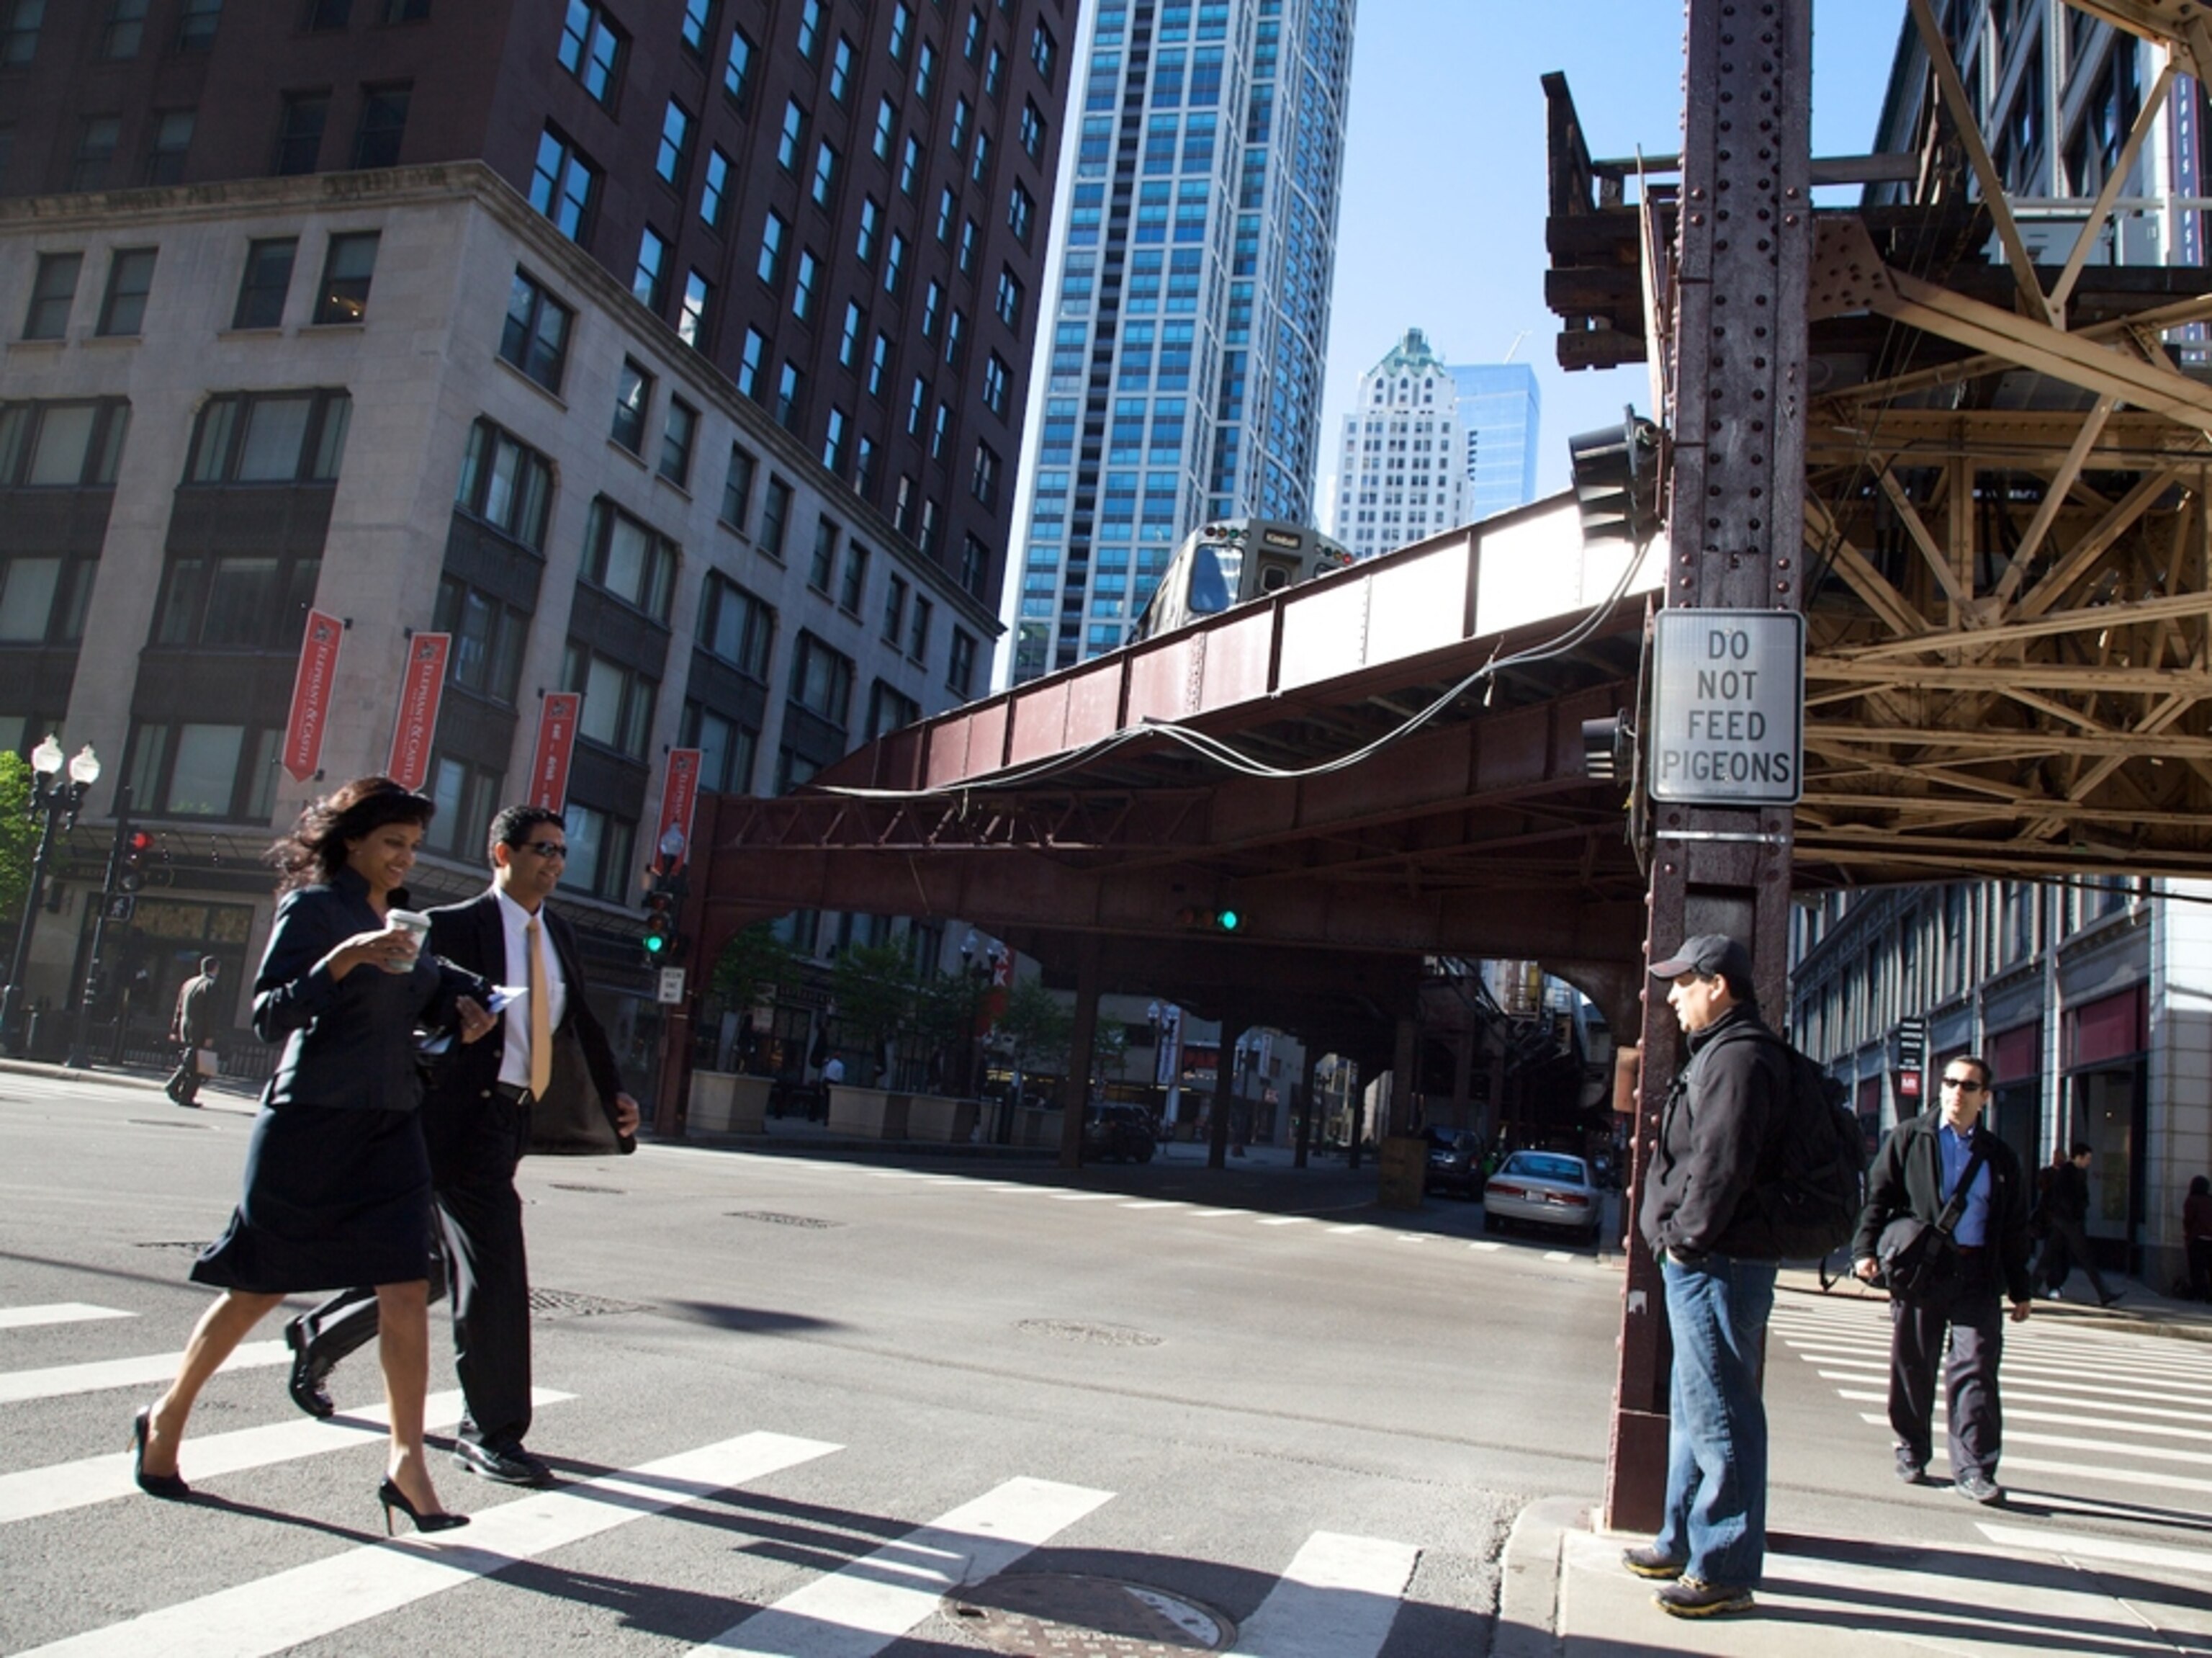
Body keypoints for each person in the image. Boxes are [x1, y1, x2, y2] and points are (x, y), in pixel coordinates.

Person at [131, 779, 498, 1533]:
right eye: (392, 842)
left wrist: (466, 1009)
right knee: (258, 1286)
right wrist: (345, 958)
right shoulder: (317, 910)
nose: (404, 857)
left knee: (404, 1287)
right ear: (353, 841)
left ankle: (407, 1463)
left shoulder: (401, 921)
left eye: (413, 845)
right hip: (311, 1123)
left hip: (392, 1122)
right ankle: (166, 1419)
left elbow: (426, 993)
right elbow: (271, 1013)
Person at [282, 805, 639, 1489]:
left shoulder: (559, 933)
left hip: (510, 1119)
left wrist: (613, 1095)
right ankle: (491, 1432)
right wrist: (446, 1024)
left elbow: (580, 1027)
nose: (555, 862)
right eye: (541, 848)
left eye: (563, 851)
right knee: (497, 1267)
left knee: (433, 1268)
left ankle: (319, 1336)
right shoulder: (450, 926)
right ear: (500, 854)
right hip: (445, 1115)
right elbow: (396, 1011)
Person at [1621, 933, 1789, 1621]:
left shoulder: (1739, 1057)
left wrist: (1683, 1241)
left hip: (1719, 1261)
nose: (1670, 996)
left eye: (1682, 983)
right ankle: (1683, 1539)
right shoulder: (1725, 1052)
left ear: (1717, 984)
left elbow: (1720, 1167)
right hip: (1711, 1259)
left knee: (1723, 1416)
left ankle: (1722, 1566)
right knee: (1697, 1411)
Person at [1852, 1056, 2034, 1505]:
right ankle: (1912, 1449)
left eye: (1968, 1086)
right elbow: (1879, 1196)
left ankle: (1974, 1468)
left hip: (1978, 1274)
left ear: (1984, 1097)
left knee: (1976, 1368)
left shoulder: (1999, 1156)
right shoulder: (1911, 1137)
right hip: (1922, 1271)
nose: (1957, 1092)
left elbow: (2013, 1226)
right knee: (1914, 1362)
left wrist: (2021, 1288)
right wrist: (1864, 1251)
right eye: (1950, 1082)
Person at [2038, 1142, 2123, 1307]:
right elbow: (2064, 1198)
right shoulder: (2067, 1173)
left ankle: (2031, 1286)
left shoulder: (2077, 1173)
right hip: (2068, 1222)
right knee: (2086, 1258)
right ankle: (2103, 1293)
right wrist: (2074, 1215)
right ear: (2079, 1157)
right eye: (2088, 1158)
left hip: (2064, 1222)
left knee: (2048, 1257)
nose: (2089, 1162)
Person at [164, 956, 222, 1108]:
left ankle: (184, 1094)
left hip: (186, 1026)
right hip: (201, 1028)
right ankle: (178, 1087)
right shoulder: (211, 985)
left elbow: (179, 1008)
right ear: (215, 968)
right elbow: (211, 1013)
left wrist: (175, 1029)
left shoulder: (189, 983)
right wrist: (210, 1034)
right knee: (196, 1062)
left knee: (193, 1059)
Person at [2183, 1175, 2212, 1302]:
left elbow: (2188, 1220)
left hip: (2197, 1239)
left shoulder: (2191, 1200)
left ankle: (2200, 1294)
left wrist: (2188, 1235)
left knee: (2197, 1270)